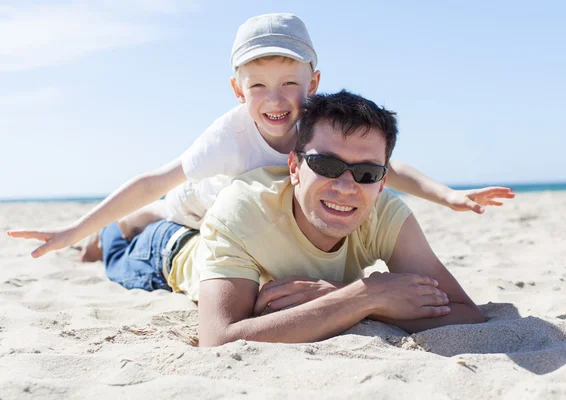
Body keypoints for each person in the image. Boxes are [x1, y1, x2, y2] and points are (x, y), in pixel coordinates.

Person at [7, 13, 514, 259]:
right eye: (258, 87)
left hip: (253, 211)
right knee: (148, 217)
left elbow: (382, 166)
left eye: (290, 83)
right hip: (195, 211)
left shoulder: (319, 122)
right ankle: (101, 239)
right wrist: (70, 231)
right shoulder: (228, 136)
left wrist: (448, 196)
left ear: (312, 83)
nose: (276, 100)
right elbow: (154, 179)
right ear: (237, 90)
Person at [89, 90, 486, 346]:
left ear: (382, 183)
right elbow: (220, 338)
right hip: (170, 255)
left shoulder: (386, 214)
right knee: (116, 252)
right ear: (294, 167)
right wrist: (366, 294)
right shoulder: (243, 208)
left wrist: (339, 295)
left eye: (366, 173)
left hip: (213, 241)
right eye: (326, 165)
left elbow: (467, 313)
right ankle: (121, 225)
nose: (347, 187)